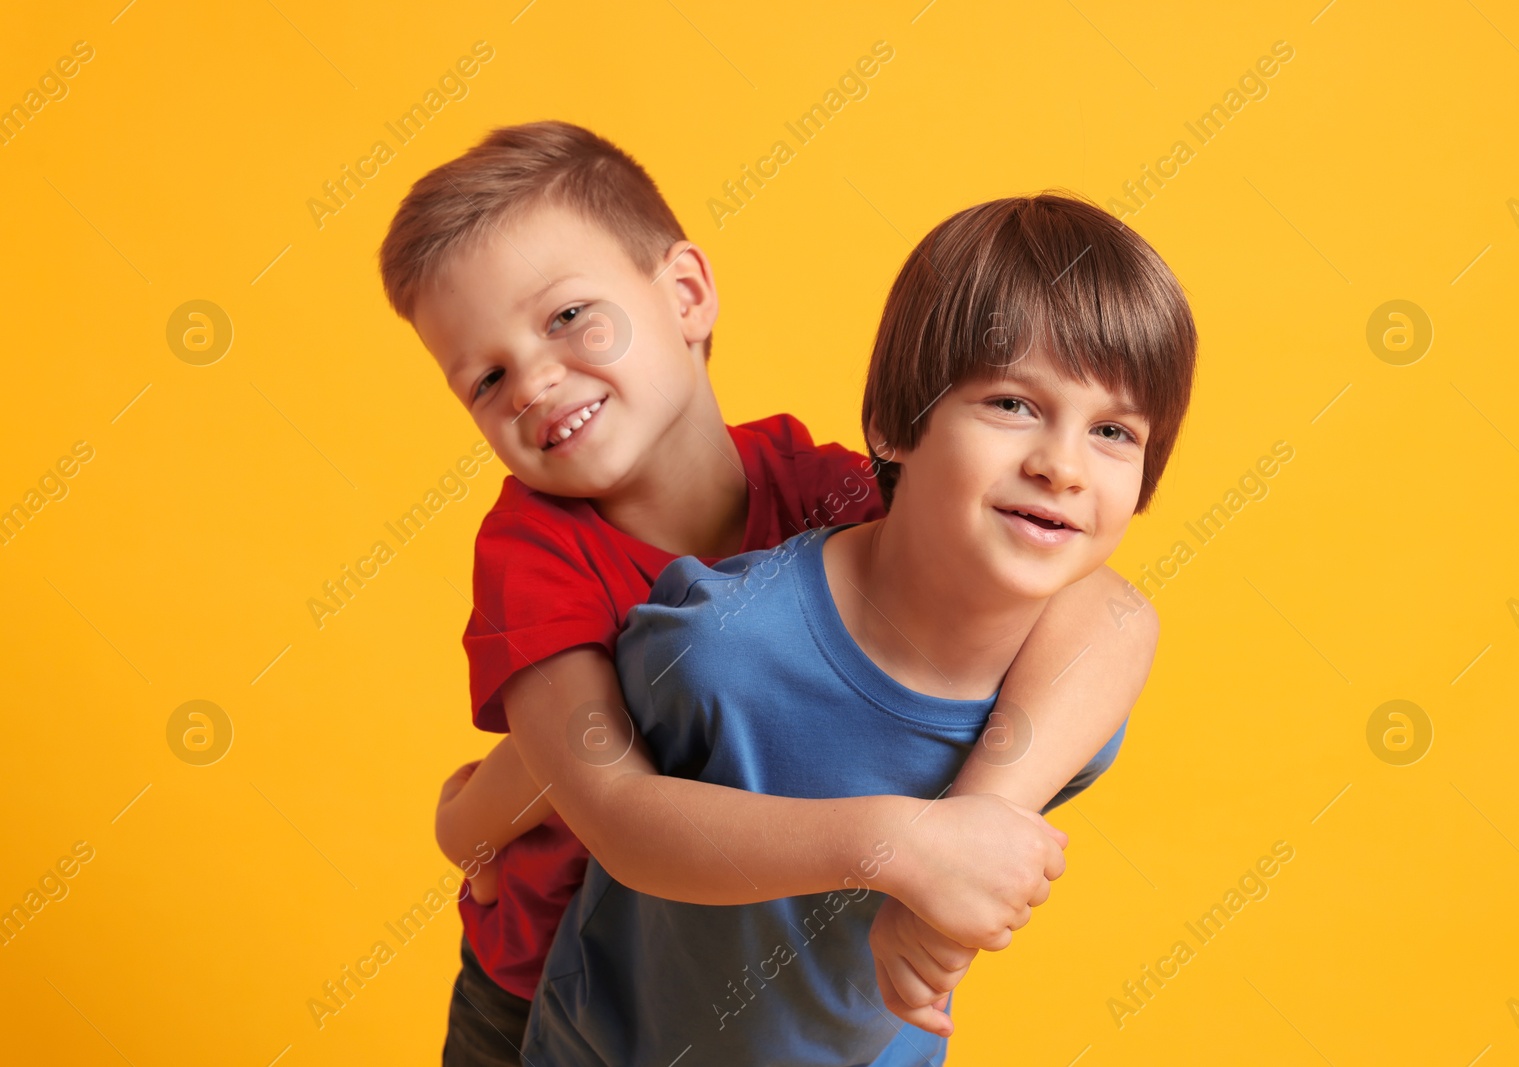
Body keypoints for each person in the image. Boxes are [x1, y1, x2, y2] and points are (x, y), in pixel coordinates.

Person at [377, 121, 1163, 1064]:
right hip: (553, 988)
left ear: (686, 295)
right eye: (487, 377)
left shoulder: (819, 489)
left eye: (567, 317)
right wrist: (471, 817)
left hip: (762, 987)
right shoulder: (531, 554)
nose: (536, 381)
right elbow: (620, 809)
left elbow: (1105, 608)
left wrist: (975, 822)